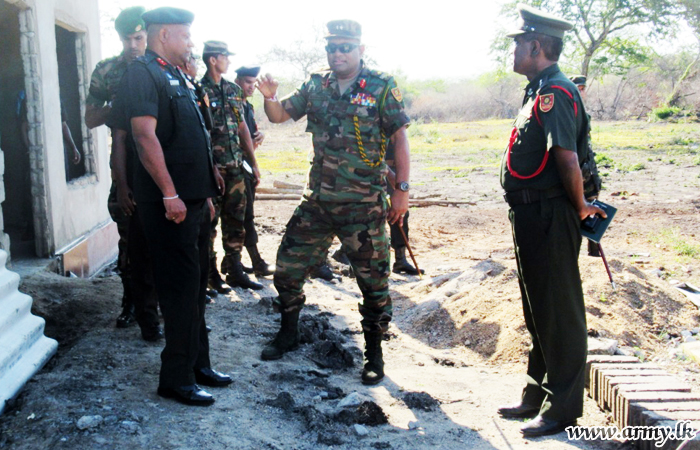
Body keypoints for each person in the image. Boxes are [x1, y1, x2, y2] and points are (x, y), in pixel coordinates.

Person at [257, 19, 411, 385]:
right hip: (318, 202)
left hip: (363, 206)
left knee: (374, 285)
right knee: (287, 270)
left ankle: (374, 353)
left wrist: (401, 191)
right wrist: (269, 97)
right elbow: (279, 115)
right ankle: (289, 333)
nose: (337, 53)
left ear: (360, 49)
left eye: (345, 47)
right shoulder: (316, 84)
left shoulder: (381, 86)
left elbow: (400, 139)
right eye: (332, 48)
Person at [497, 4, 606, 437]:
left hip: (550, 212)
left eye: (519, 44)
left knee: (559, 310)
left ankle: (562, 408)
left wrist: (580, 207)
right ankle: (536, 393)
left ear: (537, 47)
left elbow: (566, 156)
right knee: (538, 307)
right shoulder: (538, 89)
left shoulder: (556, 92)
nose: (513, 51)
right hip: (530, 212)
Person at [115, 6, 232, 406]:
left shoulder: (178, 75)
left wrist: (206, 192)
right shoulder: (142, 74)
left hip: (192, 201)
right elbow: (144, 137)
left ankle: (199, 365)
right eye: (185, 36)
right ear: (164, 35)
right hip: (169, 205)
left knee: (197, 286)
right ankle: (176, 379)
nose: (191, 43)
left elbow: (194, 137)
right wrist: (169, 193)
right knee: (179, 290)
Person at [85, 6, 160, 339]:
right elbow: (90, 118)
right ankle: (131, 302)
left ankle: (163, 302)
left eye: (139, 38)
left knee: (163, 237)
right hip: (125, 164)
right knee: (129, 239)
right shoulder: (106, 71)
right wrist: (120, 107)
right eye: (127, 39)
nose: (133, 45)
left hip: (159, 163)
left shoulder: (160, 65)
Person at [200, 42, 263, 292]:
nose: (228, 61)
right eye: (225, 57)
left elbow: (242, 128)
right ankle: (210, 273)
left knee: (236, 220)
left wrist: (253, 163)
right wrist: (209, 167)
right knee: (209, 223)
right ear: (213, 60)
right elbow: (199, 133)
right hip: (212, 170)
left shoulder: (233, 90)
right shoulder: (199, 90)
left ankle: (235, 269)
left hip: (236, 167)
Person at [234, 66, 275, 277]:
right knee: (243, 216)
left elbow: (251, 137)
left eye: (253, 83)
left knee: (243, 215)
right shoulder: (231, 105)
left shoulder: (247, 107)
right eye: (247, 82)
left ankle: (233, 262)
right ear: (237, 81)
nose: (251, 87)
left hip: (246, 166)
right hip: (233, 167)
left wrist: (259, 137)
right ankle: (255, 261)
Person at [570, 74, 602, 257]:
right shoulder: (569, 111)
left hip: (588, 168)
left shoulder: (583, 113)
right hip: (575, 168)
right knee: (577, 210)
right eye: (578, 89)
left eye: (583, 89)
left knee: (595, 206)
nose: (581, 92)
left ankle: (594, 252)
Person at [385, 140, 423, 276]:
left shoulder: (397, 131)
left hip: (391, 170)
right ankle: (345, 254)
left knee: (400, 214)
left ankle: (401, 259)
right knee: (370, 213)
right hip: (372, 170)